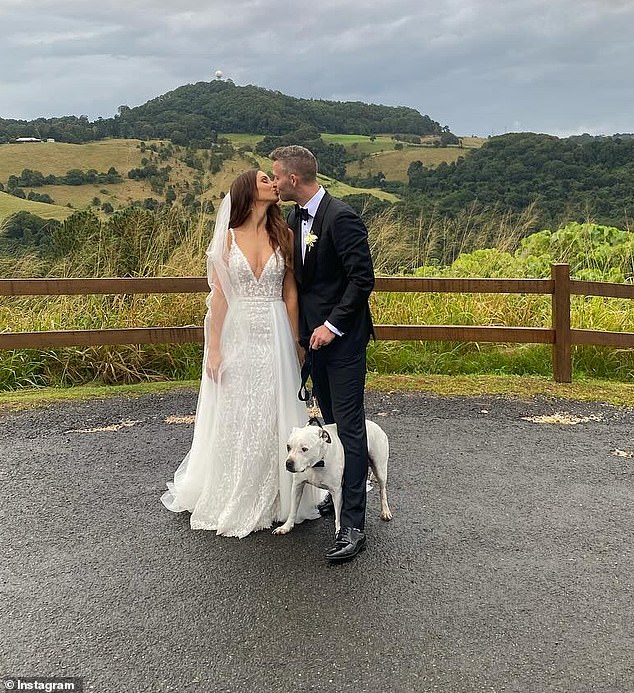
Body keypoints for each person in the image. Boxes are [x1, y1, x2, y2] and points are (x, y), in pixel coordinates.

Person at [160, 169, 325, 538]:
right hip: (237, 332)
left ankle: (281, 497)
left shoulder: (283, 234)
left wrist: (298, 344)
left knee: (273, 408)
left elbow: (290, 294)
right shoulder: (227, 239)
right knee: (236, 410)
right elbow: (218, 298)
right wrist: (214, 349)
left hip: (276, 330)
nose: (273, 185)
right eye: (266, 180)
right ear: (249, 191)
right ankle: (234, 489)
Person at [270, 145, 375, 562]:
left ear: (293, 179)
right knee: (326, 425)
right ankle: (334, 495)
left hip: (344, 341)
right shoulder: (295, 218)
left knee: (349, 428)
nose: (274, 181)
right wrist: (303, 338)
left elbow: (362, 279)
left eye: (276, 175)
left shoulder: (342, 217)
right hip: (313, 344)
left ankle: (352, 525)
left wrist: (332, 327)